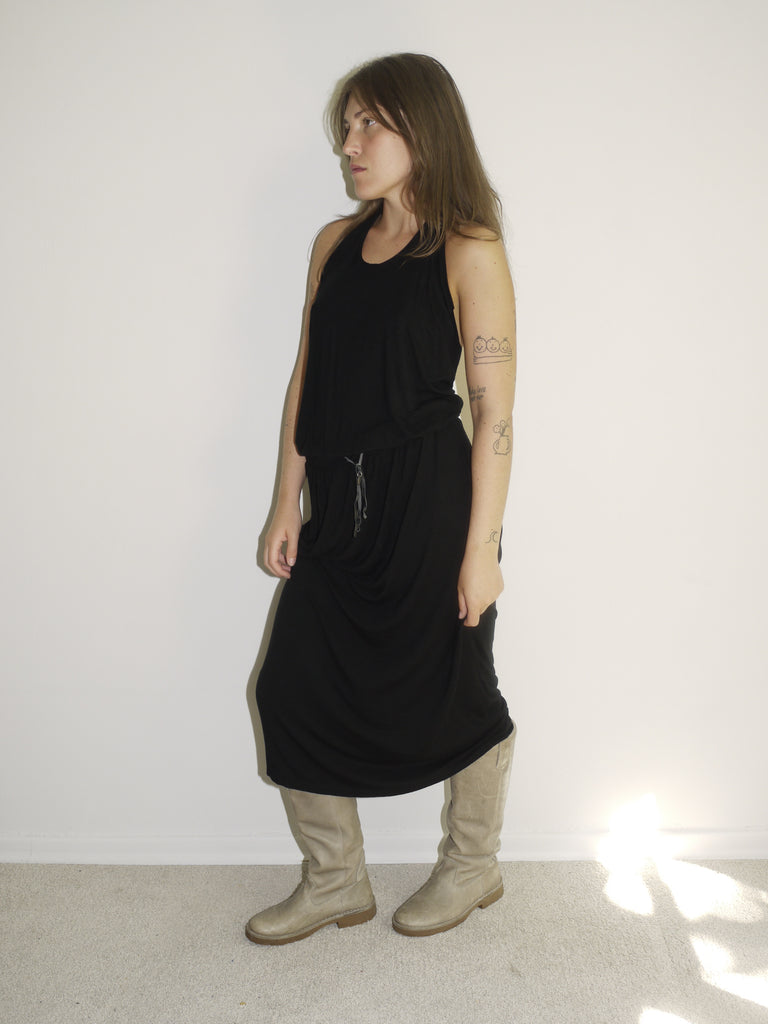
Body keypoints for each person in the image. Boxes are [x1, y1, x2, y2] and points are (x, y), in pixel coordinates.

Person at [247, 53, 517, 945]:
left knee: (458, 688)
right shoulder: (333, 245)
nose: (349, 145)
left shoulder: (469, 248)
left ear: (423, 129)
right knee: (291, 685)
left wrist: (482, 549)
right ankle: (335, 881)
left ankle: (473, 866)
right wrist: (287, 500)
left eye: (369, 124)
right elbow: (307, 379)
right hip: (339, 502)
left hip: (432, 503)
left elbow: (494, 413)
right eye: (346, 126)